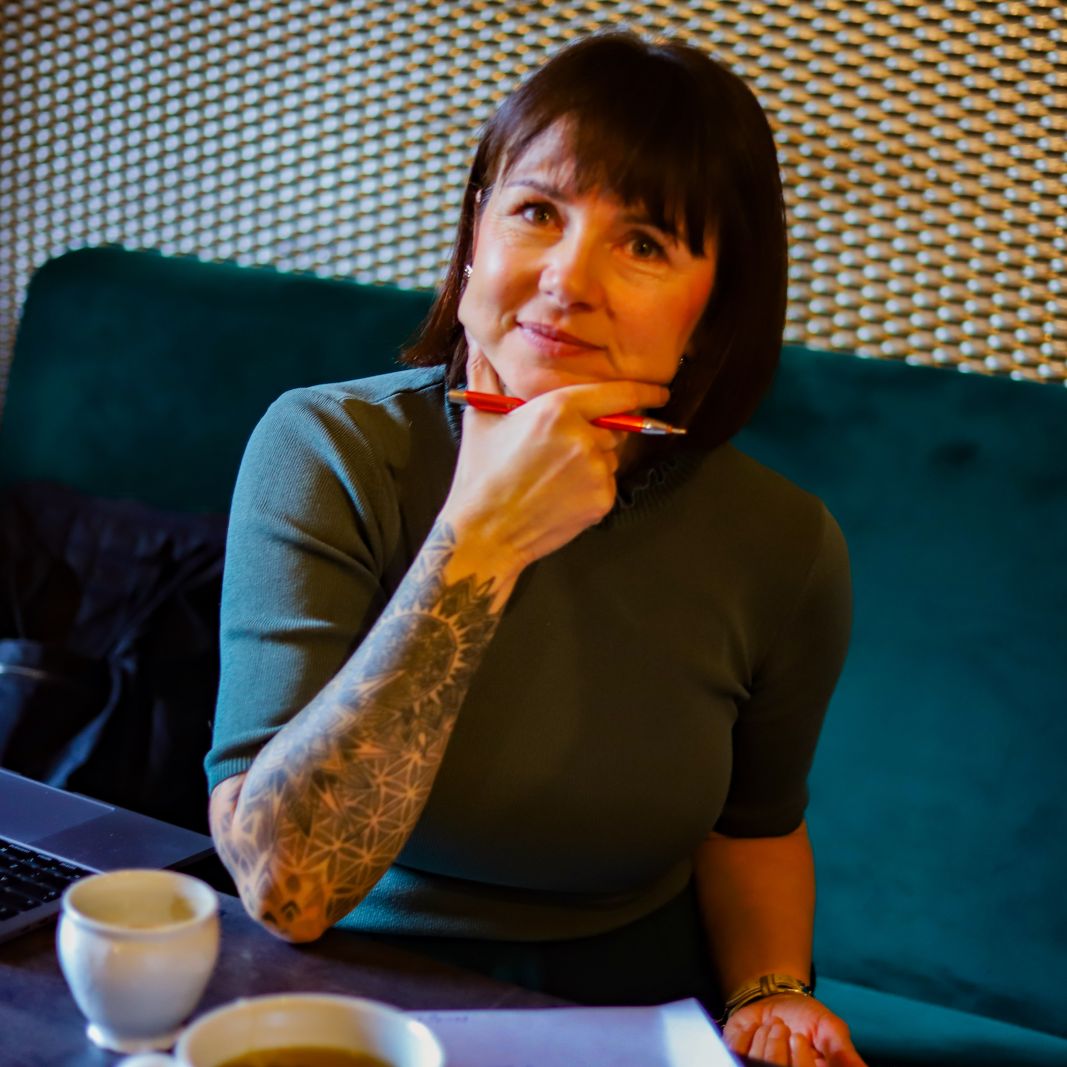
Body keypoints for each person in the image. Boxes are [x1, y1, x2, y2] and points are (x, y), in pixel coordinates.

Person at [206, 31, 865, 1067]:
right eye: (537, 212)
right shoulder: (327, 449)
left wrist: (771, 992)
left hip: (631, 1014)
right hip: (341, 987)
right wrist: (481, 538)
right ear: (475, 233)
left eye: (644, 242)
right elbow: (286, 884)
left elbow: (753, 824)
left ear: (713, 309)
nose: (566, 279)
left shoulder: (786, 544)